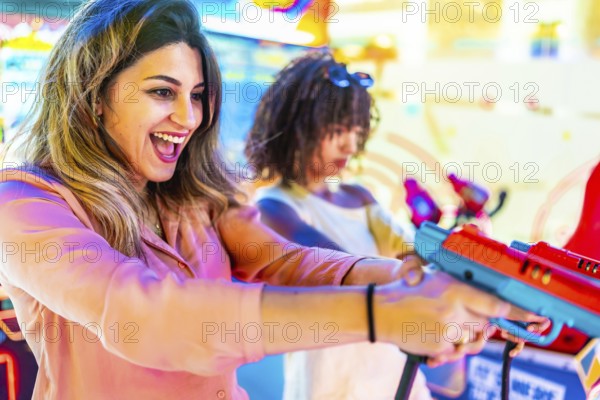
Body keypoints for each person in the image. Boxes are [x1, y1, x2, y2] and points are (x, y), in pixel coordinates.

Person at [0, 1, 539, 399]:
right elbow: (142, 317)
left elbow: (284, 260)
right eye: (163, 92)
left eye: (198, 96)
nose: (188, 119)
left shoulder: (195, 194)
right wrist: (383, 315)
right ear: (93, 97)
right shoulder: (24, 202)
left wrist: (425, 287)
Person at [244, 51, 434, 399]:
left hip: (395, 375)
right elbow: (345, 270)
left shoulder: (360, 197)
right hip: (329, 384)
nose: (350, 144)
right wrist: (423, 283)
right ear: (297, 129)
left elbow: (417, 254)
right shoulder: (275, 208)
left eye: (356, 131)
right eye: (337, 130)